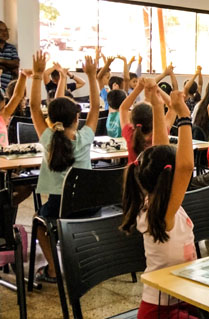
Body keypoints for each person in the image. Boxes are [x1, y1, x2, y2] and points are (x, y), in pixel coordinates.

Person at [119, 88, 197, 319]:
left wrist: (155, 105)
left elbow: (161, 149)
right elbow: (185, 167)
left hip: (179, 298)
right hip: (162, 310)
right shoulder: (163, 212)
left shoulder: (156, 200)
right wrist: (184, 117)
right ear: (170, 177)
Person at [29, 50, 100, 283]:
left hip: (59, 208)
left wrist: (38, 75)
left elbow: (32, 107)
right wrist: (92, 76)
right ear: (77, 119)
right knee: (60, 215)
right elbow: (97, 106)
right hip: (89, 206)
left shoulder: (48, 138)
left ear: (50, 119)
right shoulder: (85, 138)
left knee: (40, 222)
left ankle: (53, 269)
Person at [120, 78, 176, 163]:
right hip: (154, 176)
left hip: (133, 175)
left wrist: (139, 88)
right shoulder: (161, 133)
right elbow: (172, 107)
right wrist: (156, 88)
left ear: (132, 120)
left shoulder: (130, 134)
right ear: (154, 120)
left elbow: (123, 108)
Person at [0, 69, 28, 146]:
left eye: (3, 108)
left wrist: (23, 76)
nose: (3, 111)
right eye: (0, 109)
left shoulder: (3, 116)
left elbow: (17, 96)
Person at [0, 21, 19, 90]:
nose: (4, 33)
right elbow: (13, 67)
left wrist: (1, 60)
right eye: (1, 30)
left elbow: (16, 64)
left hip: (8, 90)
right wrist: (10, 68)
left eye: (6, 30)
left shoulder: (11, 47)